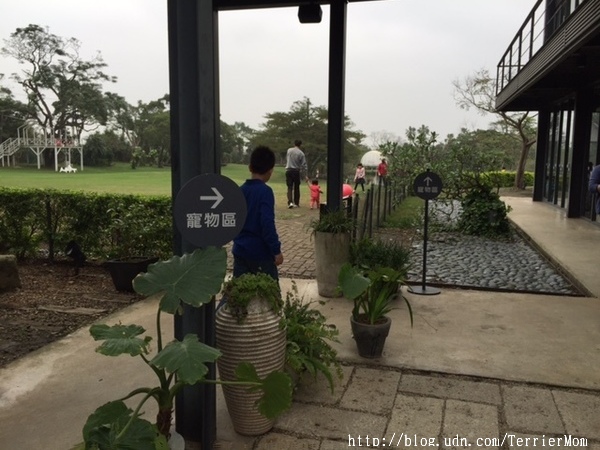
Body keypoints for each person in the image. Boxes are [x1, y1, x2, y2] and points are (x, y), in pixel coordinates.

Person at [232, 145, 283, 281]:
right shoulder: (265, 192)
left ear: (250, 167)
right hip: (261, 254)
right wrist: (276, 250)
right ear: (270, 171)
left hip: (240, 251)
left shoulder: (240, 191)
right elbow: (267, 223)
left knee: (240, 291)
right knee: (268, 291)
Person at [285, 139, 308, 208]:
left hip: (288, 170)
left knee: (289, 187)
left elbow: (287, 159)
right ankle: (296, 202)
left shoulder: (289, 150)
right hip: (296, 171)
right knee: (296, 187)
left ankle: (290, 202)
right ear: (300, 145)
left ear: (294, 144)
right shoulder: (301, 153)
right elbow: (304, 165)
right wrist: (305, 175)